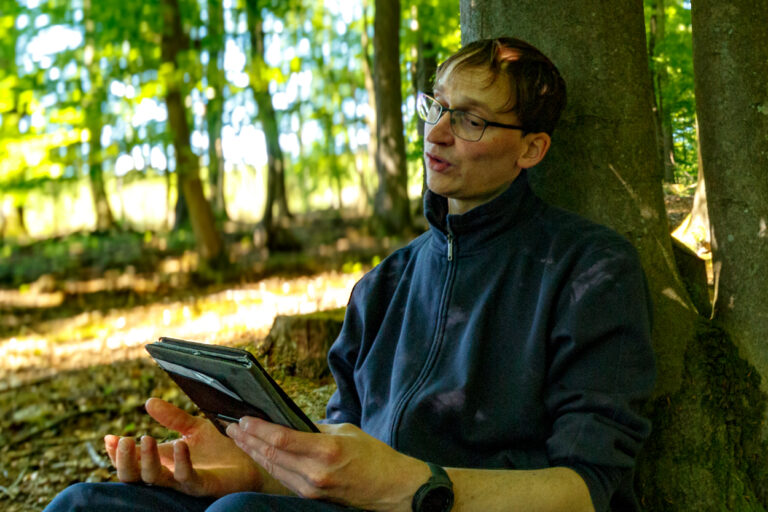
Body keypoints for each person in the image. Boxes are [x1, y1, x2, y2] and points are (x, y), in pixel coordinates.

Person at [44, 37, 656, 512]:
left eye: (471, 120)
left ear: (530, 149)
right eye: (437, 107)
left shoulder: (588, 267)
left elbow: (588, 490)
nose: (437, 133)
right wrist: (255, 470)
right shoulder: (385, 283)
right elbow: (339, 466)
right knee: (86, 504)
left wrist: (413, 483)